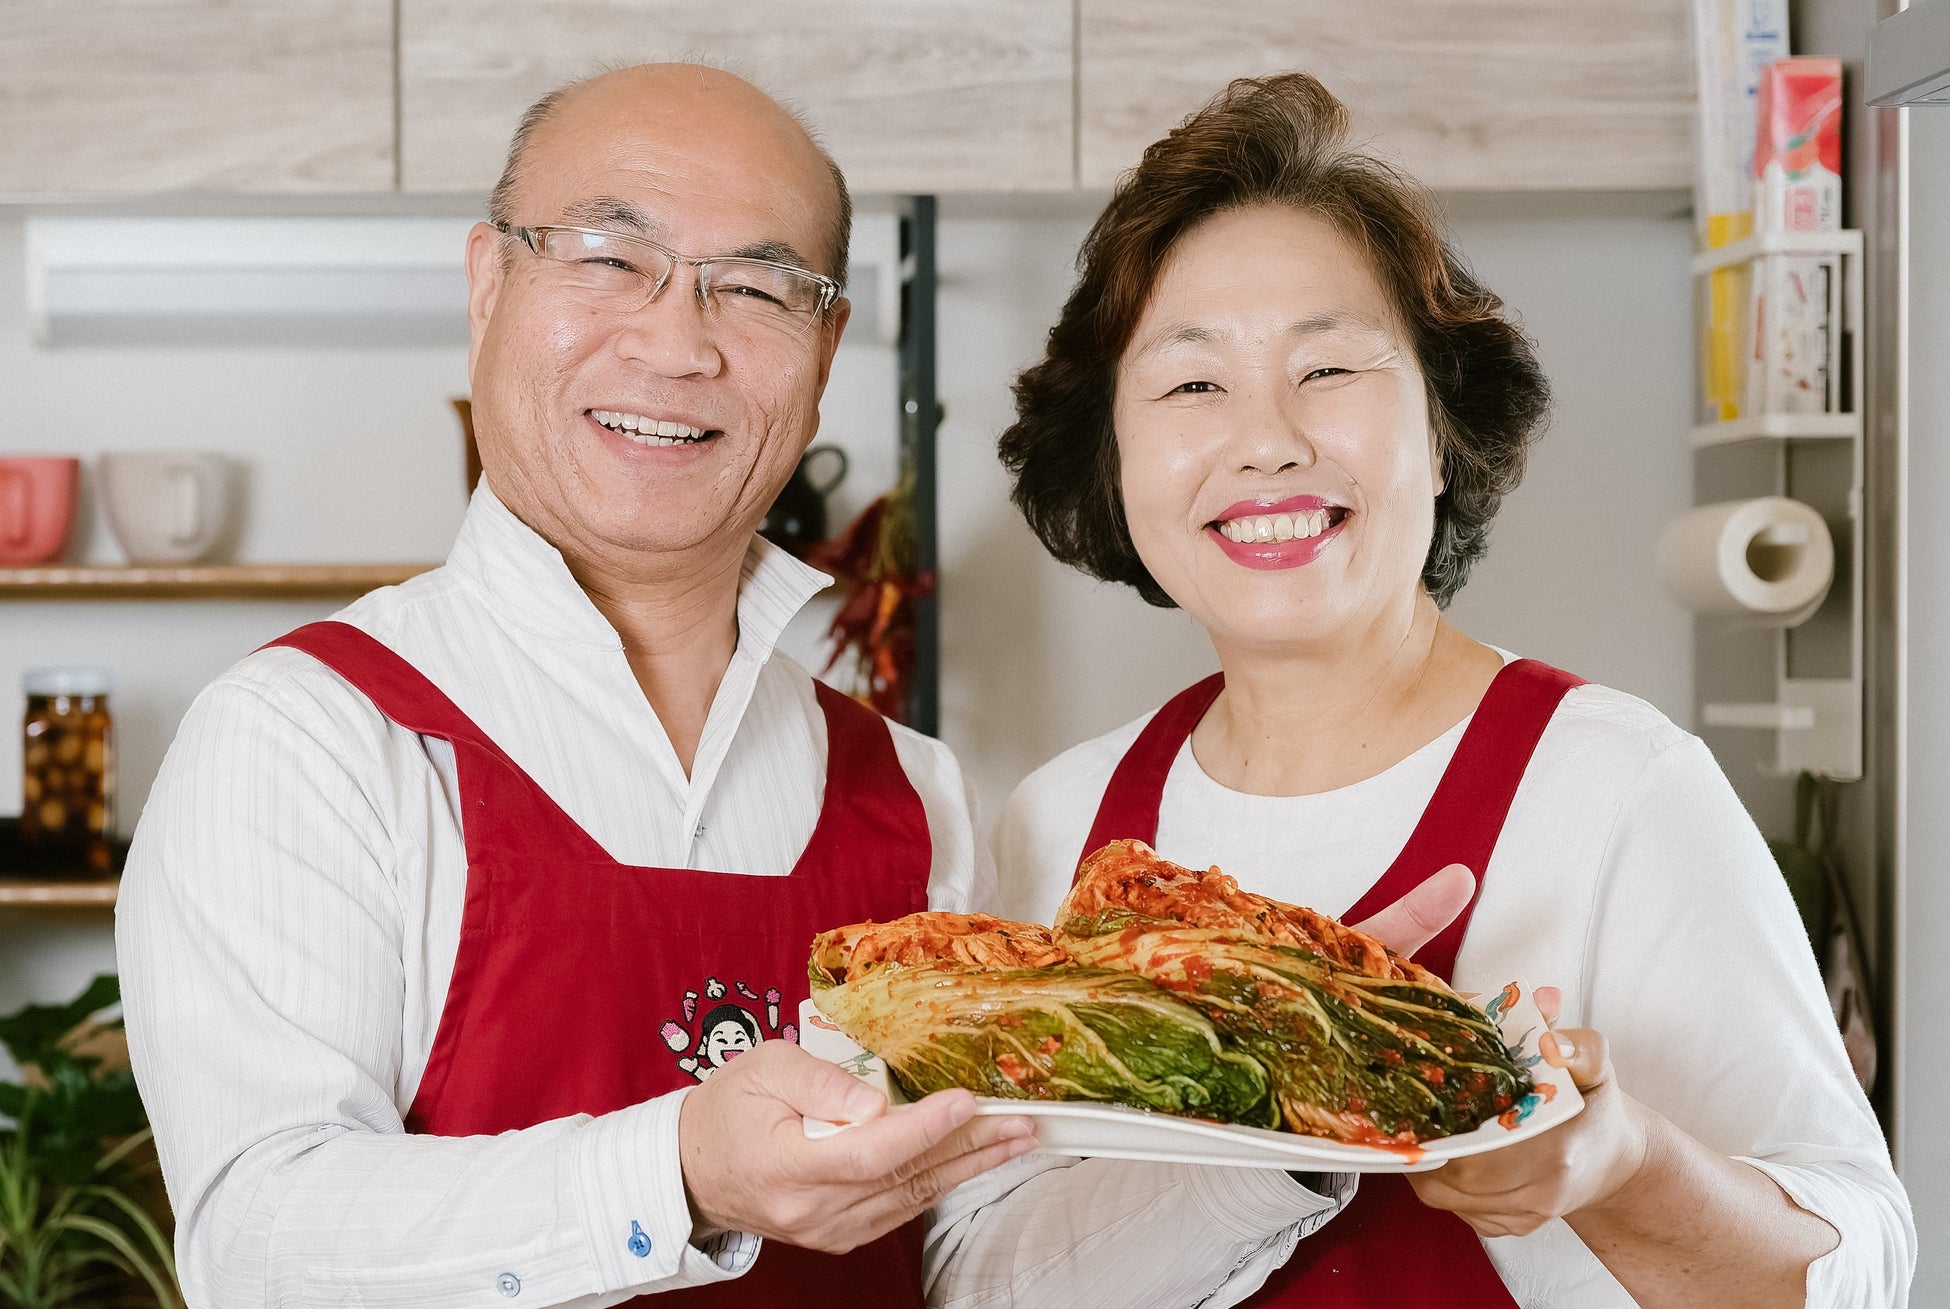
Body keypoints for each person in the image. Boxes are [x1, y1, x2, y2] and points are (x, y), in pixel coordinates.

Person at [114, 63, 1455, 1309]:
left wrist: (1282, 1115)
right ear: (487, 287)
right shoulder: (315, 736)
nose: (678, 343)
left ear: (824, 351)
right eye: (609, 257)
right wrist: (679, 1171)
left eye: (756, 289)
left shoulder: (911, 794)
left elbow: (976, 1268)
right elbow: (259, 1243)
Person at [993, 73, 1915, 1308]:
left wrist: (1624, 1165)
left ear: (1439, 429)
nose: (1265, 438)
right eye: (1192, 383)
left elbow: (1863, 1269)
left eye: (1328, 369)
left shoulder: (1615, 790)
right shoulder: (1056, 825)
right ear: (1113, 461)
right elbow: (979, 1278)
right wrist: (1288, 1116)